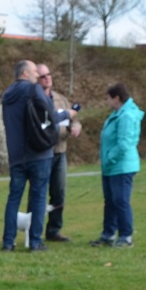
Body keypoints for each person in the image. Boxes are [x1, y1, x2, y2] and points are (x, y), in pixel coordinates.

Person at [0, 60, 54, 252]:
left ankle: (8, 241)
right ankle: (35, 242)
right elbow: (49, 113)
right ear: (24, 73)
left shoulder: (6, 96)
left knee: (13, 197)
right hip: (38, 153)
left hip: (16, 155)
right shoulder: (33, 90)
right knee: (39, 196)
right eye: (34, 72)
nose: (37, 77)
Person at [92, 83, 144, 249]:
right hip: (111, 167)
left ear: (116, 98)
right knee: (110, 201)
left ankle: (126, 236)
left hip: (121, 167)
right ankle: (108, 234)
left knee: (121, 201)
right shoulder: (117, 114)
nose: (106, 101)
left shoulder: (127, 116)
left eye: (108, 98)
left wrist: (108, 159)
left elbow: (124, 144)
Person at [37, 64, 82, 242]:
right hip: (41, 154)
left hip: (60, 152)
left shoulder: (62, 100)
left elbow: (74, 120)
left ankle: (54, 230)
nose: (47, 78)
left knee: (59, 192)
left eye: (49, 74)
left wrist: (76, 128)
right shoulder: (36, 100)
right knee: (39, 193)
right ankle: (35, 231)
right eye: (42, 76)